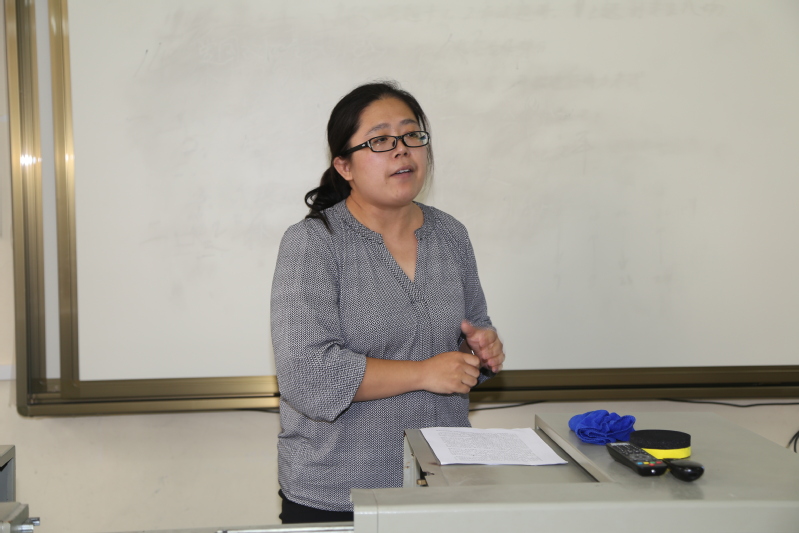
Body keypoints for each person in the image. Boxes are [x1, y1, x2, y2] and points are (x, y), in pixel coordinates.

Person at [270, 81, 505, 524]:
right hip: (340, 495)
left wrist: (479, 353)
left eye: (412, 135)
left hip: (443, 482)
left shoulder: (451, 235)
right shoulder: (313, 243)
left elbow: (471, 335)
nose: (402, 149)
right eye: (380, 140)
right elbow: (309, 376)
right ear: (345, 166)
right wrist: (424, 372)